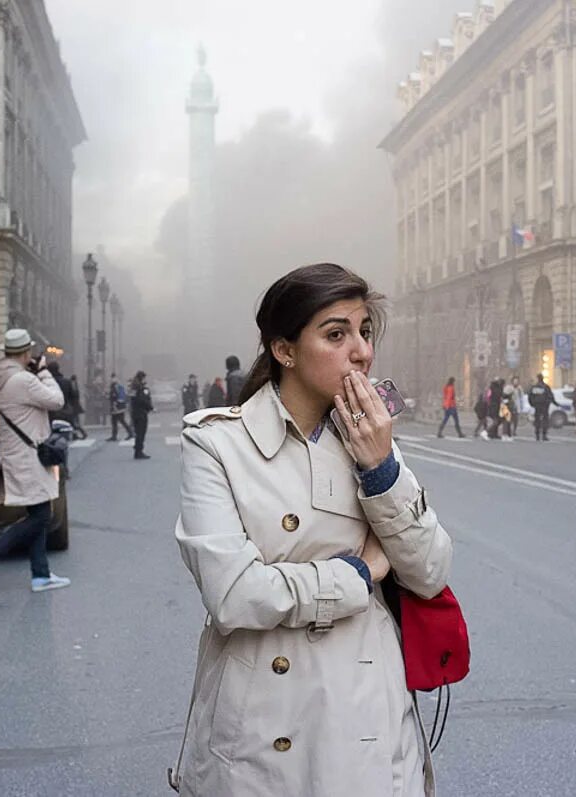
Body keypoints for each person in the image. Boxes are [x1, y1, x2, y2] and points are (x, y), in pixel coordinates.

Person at [169, 262, 452, 796]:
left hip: (369, 714)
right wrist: (358, 572)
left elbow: (431, 571)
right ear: (285, 350)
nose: (362, 351)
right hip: (266, 724)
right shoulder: (217, 444)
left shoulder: (373, 441)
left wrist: (382, 469)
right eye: (336, 333)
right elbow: (233, 595)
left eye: (365, 332)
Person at [0, 329, 69, 594]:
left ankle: (41, 575)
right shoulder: (23, 380)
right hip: (29, 455)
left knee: (37, 512)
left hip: (9, 453)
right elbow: (57, 400)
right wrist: (44, 372)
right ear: (26, 353)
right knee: (41, 515)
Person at [129, 370, 154, 459]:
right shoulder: (139, 388)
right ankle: (139, 451)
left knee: (138, 432)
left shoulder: (134, 388)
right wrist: (150, 407)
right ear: (142, 378)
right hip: (141, 413)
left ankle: (137, 450)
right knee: (141, 433)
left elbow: (132, 400)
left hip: (136, 413)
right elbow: (141, 400)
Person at [527, 373, 558, 441]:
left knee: (537, 420)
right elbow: (550, 396)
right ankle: (544, 435)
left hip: (537, 406)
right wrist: (554, 403)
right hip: (544, 406)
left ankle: (537, 435)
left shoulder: (534, 387)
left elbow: (530, 396)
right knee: (545, 420)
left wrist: (532, 404)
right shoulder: (546, 387)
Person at [105, 372, 134, 441]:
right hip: (120, 406)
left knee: (120, 421)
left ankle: (130, 433)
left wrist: (114, 405)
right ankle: (115, 435)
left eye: (112, 377)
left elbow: (114, 396)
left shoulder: (114, 385)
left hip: (117, 407)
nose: (111, 379)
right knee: (115, 421)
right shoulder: (118, 385)